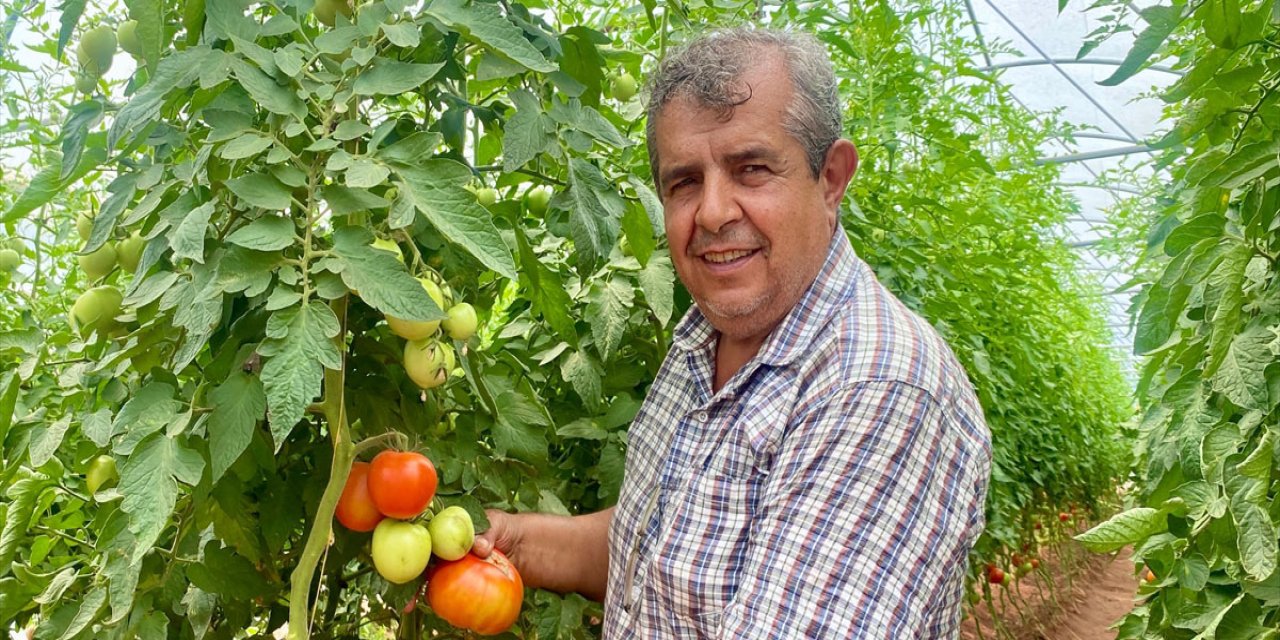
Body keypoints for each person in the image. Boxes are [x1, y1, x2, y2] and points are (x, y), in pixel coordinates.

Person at [472, 28, 992, 638]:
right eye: (684, 182)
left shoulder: (877, 386)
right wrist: (513, 542)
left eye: (751, 169)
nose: (713, 213)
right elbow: (656, 551)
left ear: (831, 178)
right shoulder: (706, 336)